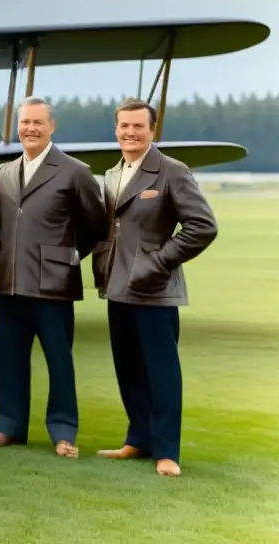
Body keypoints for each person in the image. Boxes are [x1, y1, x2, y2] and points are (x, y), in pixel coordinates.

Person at [92, 97, 218, 478]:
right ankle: (139, 439)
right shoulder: (113, 174)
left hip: (156, 289)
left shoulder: (172, 171)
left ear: (152, 129)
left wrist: (159, 261)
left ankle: (167, 451)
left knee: (161, 372)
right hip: (117, 287)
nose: (130, 132)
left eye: (138, 126)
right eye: (123, 126)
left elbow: (202, 226)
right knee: (128, 368)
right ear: (116, 130)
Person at [0, 97, 107, 458]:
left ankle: (64, 432)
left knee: (59, 360)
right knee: (10, 359)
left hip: (54, 285)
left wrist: (65, 256)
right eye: (24, 122)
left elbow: (95, 226)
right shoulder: (4, 172)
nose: (30, 129)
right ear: (16, 126)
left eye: (37, 122)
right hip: (9, 281)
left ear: (52, 126)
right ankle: (8, 427)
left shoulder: (74, 171)